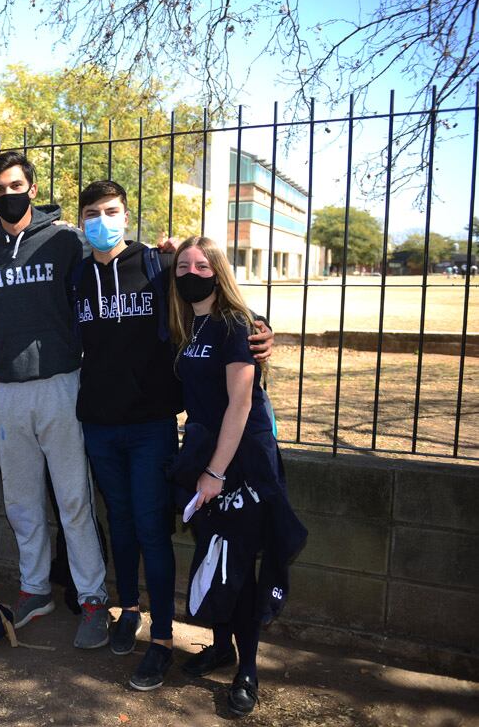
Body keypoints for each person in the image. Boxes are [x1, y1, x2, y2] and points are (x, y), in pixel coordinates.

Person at [71, 181, 274, 690]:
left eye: (111, 211)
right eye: (92, 212)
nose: (102, 219)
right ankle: (130, 610)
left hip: (151, 425)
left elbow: (214, 297)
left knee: (149, 526)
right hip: (97, 422)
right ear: (81, 219)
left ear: (126, 213)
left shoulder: (159, 266)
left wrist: (261, 329)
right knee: (117, 521)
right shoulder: (75, 275)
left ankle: (162, 637)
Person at [0, 151, 109, 649]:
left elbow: (111, 274)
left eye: (15, 185)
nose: (8, 195)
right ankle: (34, 588)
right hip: (5, 391)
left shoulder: (66, 240)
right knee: (22, 502)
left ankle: (92, 598)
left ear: (32, 186)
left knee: (73, 499)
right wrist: (0, 335)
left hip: (60, 384)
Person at [170, 236, 303, 716]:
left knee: (241, 562)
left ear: (219, 271)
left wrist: (215, 473)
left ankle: (247, 669)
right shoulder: (190, 323)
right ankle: (220, 646)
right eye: (183, 265)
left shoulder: (235, 324)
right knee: (214, 553)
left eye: (201, 265)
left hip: (240, 458)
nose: (190, 272)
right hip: (206, 452)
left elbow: (242, 404)